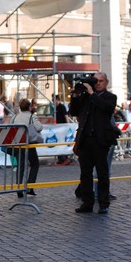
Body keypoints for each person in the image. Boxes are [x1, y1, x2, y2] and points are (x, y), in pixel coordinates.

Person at [69, 72, 117, 215]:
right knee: (85, 174)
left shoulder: (110, 97)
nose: (98, 83)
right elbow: (73, 111)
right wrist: (75, 96)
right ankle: (87, 202)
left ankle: (103, 203)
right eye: (95, 81)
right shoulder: (86, 97)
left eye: (101, 81)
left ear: (106, 82)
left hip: (101, 141)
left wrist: (91, 93)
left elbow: (106, 108)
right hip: (85, 140)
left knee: (102, 174)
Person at [11, 98, 42, 197]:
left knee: (20, 166)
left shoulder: (14, 117)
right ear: (29, 107)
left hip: (18, 145)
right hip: (29, 144)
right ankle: (29, 187)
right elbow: (39, 127)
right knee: (35, 164)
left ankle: (19, 189)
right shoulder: (32, 117)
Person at [55, 94, 71, 165]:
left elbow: (66, 116)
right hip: (58, 128)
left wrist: (68, 125)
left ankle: (65, 158)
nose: (53, 102)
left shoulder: (62, 107)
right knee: (58, 142)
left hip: (63, 127)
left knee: (63, 142)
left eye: (54, 100)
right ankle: (60, 158)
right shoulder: (56, 108)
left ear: (57, 100)